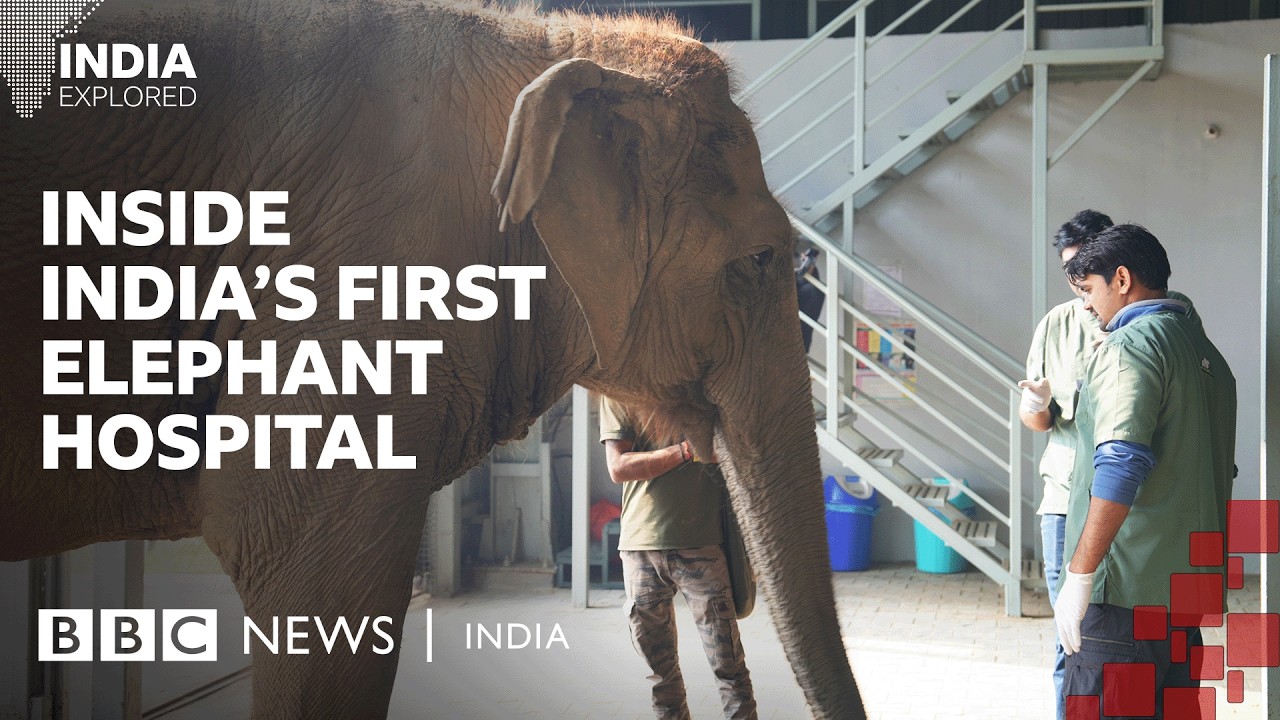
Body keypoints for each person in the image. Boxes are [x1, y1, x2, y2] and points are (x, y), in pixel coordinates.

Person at [1053, 224, 1236, 716]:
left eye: (1088, 290)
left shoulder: (1132, 346)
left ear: (1122, 279)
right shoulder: (1210, 359)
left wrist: (1081, 575)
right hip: (1184, 596)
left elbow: (1120, 462)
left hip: (1124, 600)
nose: (1087, 306)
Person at [599, 396, 757, 720]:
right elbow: (618, 467)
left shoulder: (704, 381)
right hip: (640, 549)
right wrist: (686, 451)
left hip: (702, 546)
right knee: (661, 678)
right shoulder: (618, 389)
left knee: (729, 668)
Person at [1018, 209, 1113, 720]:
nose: (1077, 282)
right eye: (1068, 271)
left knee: (1118, 631)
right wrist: (1034, 405)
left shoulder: (1140, 319)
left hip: (1123, 501)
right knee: (1069, 633)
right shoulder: (1056, 323)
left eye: (1085, 268)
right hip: (1063, 500)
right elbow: (1043, 421)